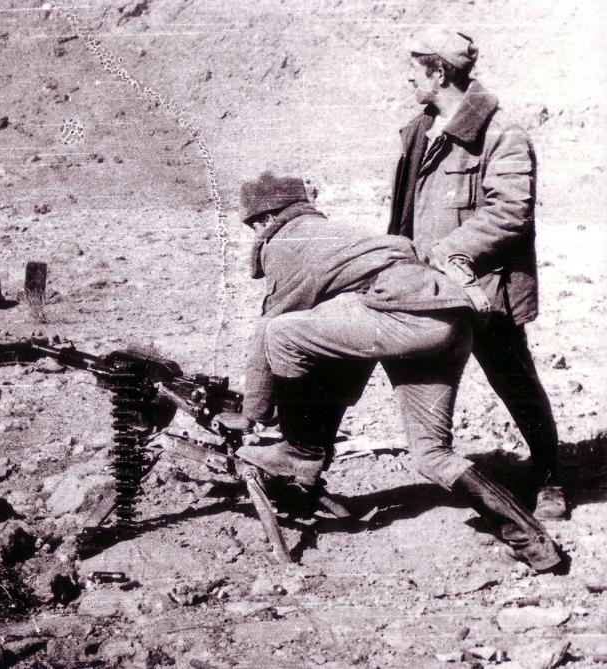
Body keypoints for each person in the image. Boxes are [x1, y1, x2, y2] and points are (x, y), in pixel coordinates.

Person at [231, 171, 563, 573]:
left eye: (253, 226)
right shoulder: (341, 233)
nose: (255, 235)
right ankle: (534, 541)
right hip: (449, 319)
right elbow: (345, 343)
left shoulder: (285, 241)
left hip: (406, 320)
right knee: (431, 454)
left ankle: (300, 452)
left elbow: (269, 327)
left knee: (282, 333)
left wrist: (253, 415)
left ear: (267, 218)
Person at [390, 29, 565, 520]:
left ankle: (550, 474)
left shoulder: (503, 134)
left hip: (489, 292)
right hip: (428, 287)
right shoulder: (419, 130)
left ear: (438, 72)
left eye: (415, 70)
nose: (408, 79)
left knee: (514, 381)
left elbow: (510, 211)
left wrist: (449, 251)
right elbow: (406, 212)